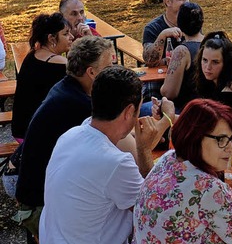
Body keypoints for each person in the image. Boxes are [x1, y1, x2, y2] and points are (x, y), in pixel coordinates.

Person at [38, 65, 172, 244]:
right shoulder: (116, 163)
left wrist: (155, 129)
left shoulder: (73, 134)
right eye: (139, 109)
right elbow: (154, 213)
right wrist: (145, 148)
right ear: (129, 112)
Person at [14, 37, 115, 239]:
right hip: (38, 207)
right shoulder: (78, 104)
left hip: (30, 194)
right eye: (109, 66)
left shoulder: (67, 87)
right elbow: (116, 147)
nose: (113, 71)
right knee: (113, 215)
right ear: (92, 72)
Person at [134, 99, 232, 243]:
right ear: (194, 137)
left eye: (231, 139)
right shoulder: (209, 189)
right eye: (221, 140)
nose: (231, 148)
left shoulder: (168, 159)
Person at [12, 13, 73, 141]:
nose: (71, 37)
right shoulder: (60, 64)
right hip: (35, 136)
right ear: (51, 38)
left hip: (20, 130)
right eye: (66, 34)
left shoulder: (33, 55)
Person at [142, 0, 189, 99]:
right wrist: (162, 36)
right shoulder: (153, 28)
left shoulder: (191, 24)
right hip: (157, 87)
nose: (187, 3)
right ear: (168, 2)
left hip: (185, 82)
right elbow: (149, 61)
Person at [157, 2, 204, 112]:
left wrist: (171, 69)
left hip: (188, 112)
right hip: (215, 109)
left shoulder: (182, 51)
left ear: (179, 23)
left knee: (143, 108)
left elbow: (169, 93)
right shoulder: (215, 43)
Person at [193, 31, 232, 115]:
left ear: (226, 63)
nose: (208, 67)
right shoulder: (207, 80)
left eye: (215, 62)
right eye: (205, 60)